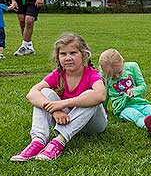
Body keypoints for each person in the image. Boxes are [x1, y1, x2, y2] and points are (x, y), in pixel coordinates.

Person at [10, 33, 107, 162]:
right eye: (63, 54)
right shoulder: (58, 74)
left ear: (84, 55)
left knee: (90, 94)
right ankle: (38, 141)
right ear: (58, 57)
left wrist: (62, 104)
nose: (68, 58)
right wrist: (54, 109)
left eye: (73, 53)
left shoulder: (91, 74)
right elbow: (32, 93)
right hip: (65, 118)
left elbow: (100, 95)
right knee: (44, 92)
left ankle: (59, 142)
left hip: (93, 124)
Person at [98, 49, 151, 135]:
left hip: (139, 103)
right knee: (136, 116)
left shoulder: (133, 67)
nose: (117, 76)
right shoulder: (103, 75)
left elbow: (143, 87)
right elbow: (105, 94)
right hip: (122, 108)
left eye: (119, 72)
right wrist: (103, 108)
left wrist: (133, 91)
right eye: (112, 76)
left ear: (123, 61)